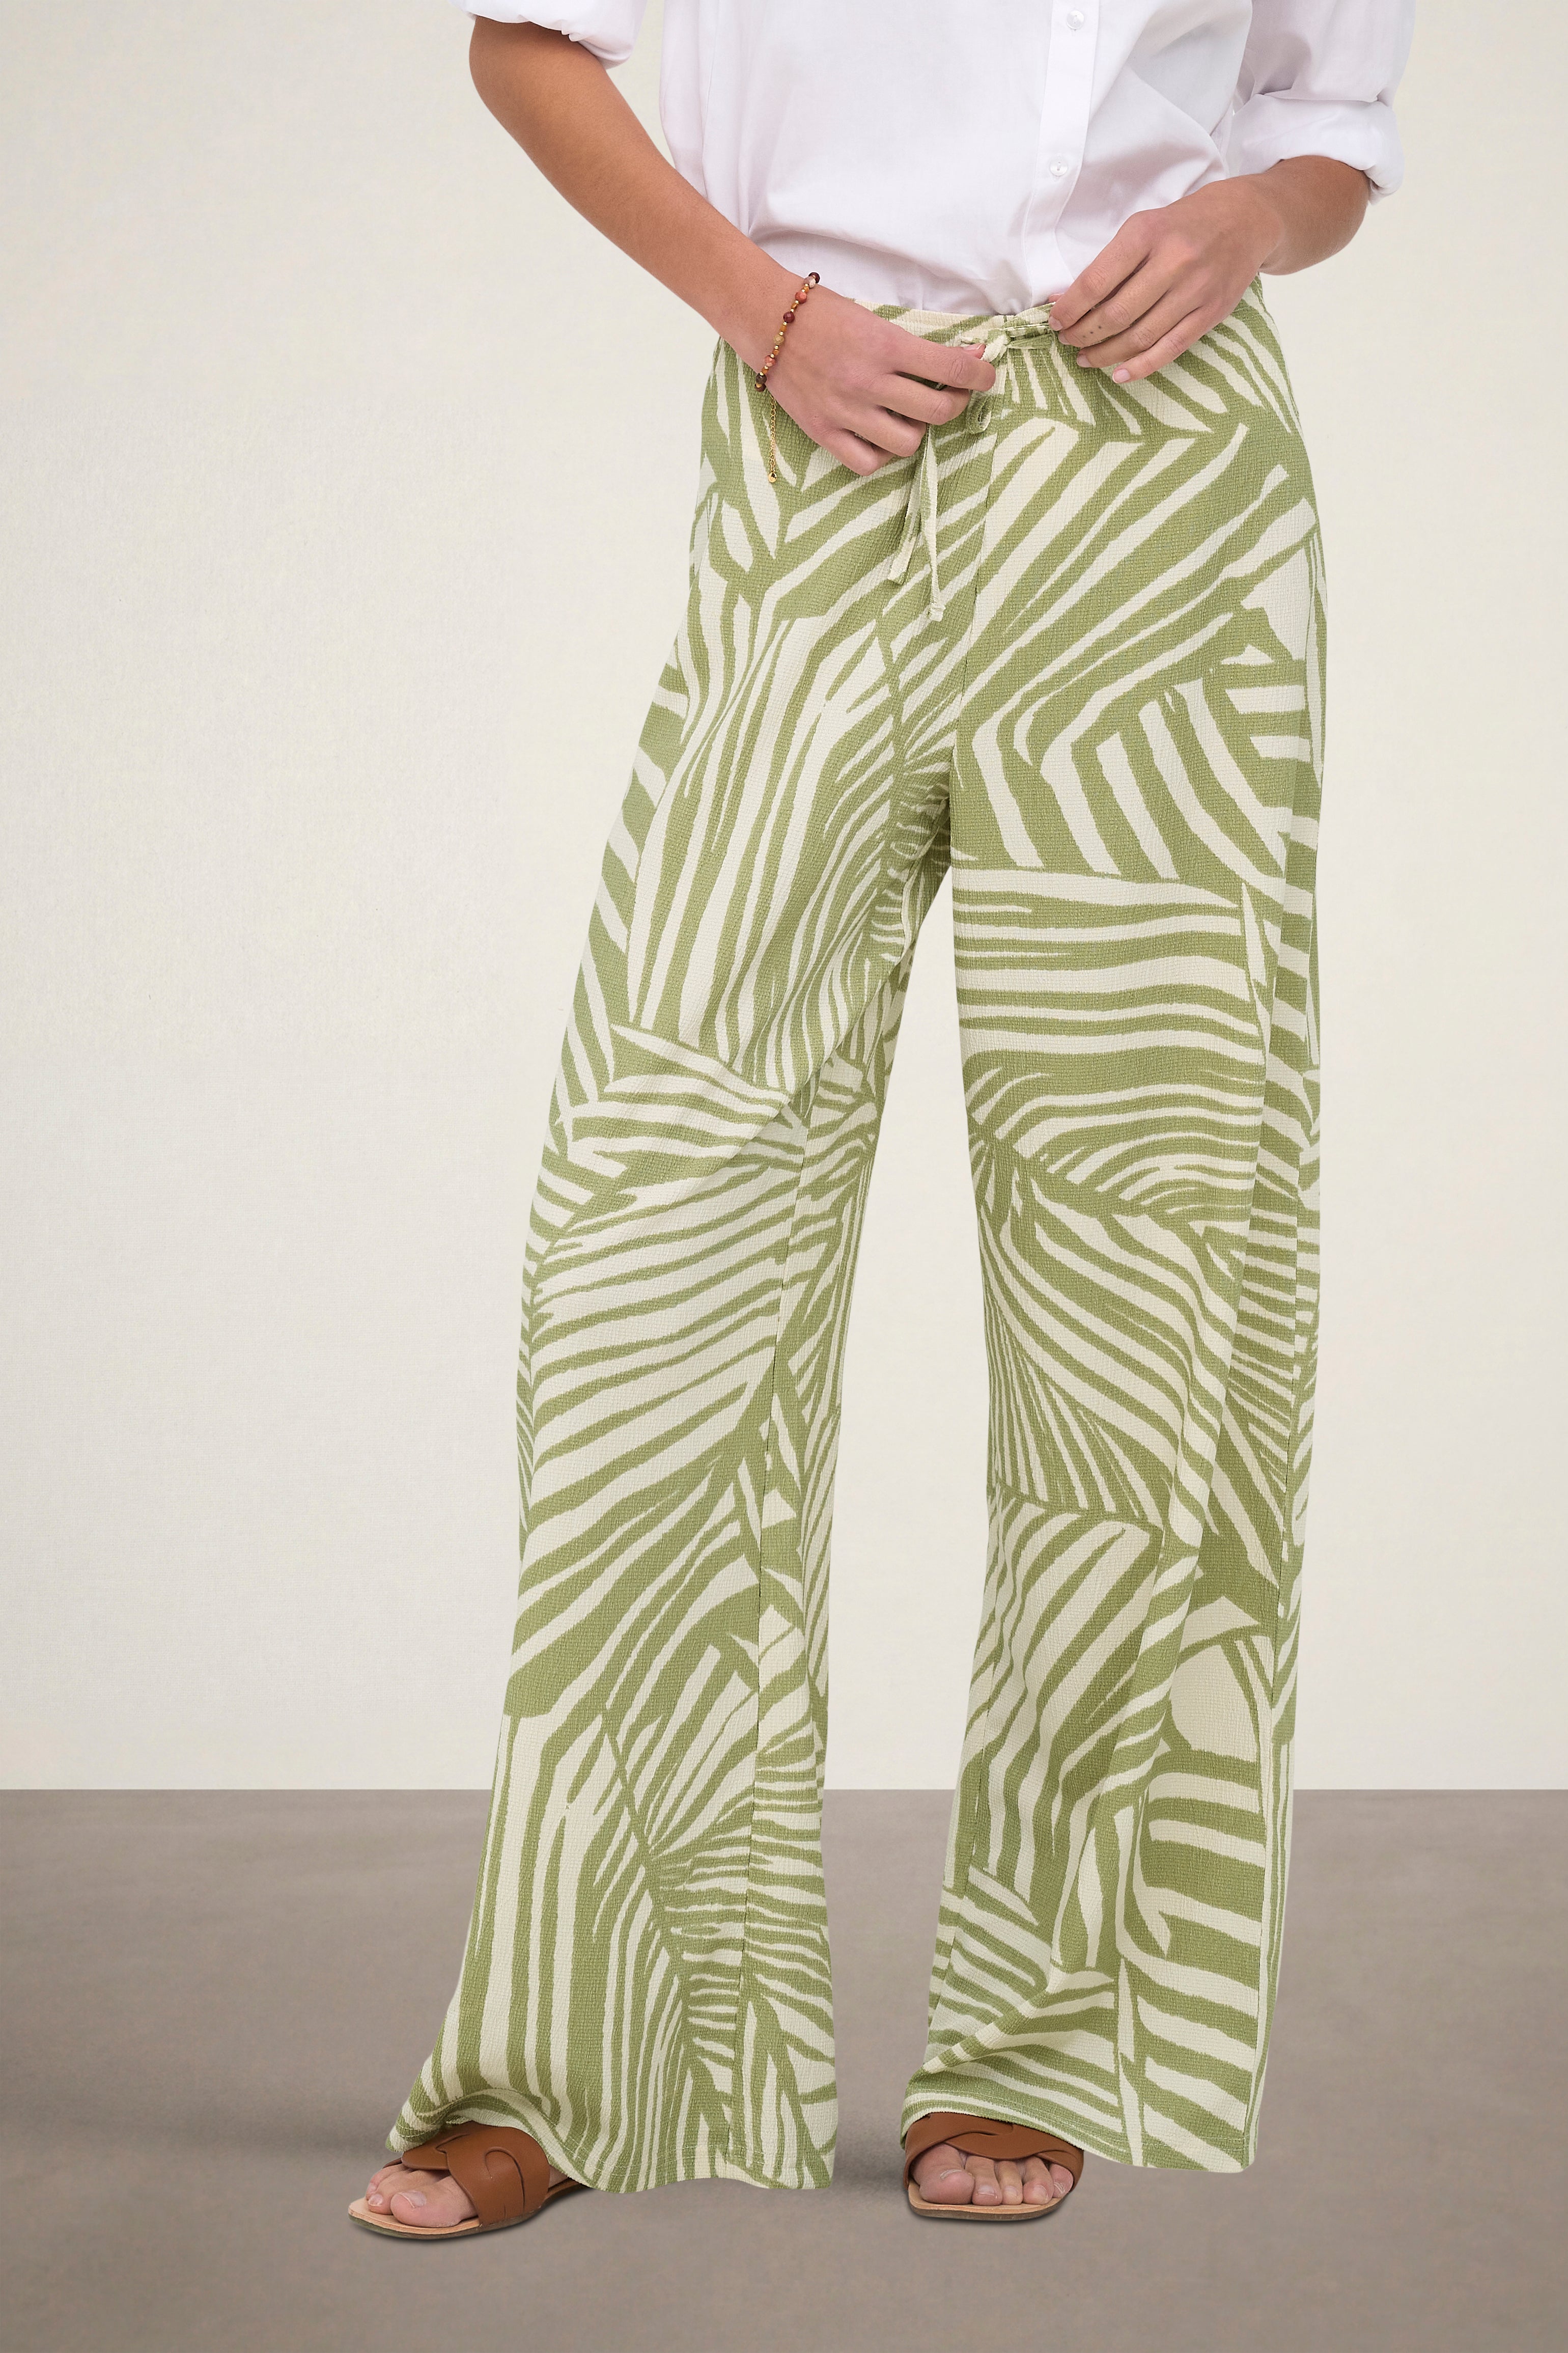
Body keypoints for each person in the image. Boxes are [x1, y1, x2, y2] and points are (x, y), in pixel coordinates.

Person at [350, 0, 1412, 2239]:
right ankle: (588, 2045)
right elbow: (528, 45)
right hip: (818, 440)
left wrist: (1247, 222)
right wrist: (768, 314)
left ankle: (1047, 2037)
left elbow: (1326, 120)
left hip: (1162, 498)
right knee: (655, 1252)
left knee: (1152, 1270)